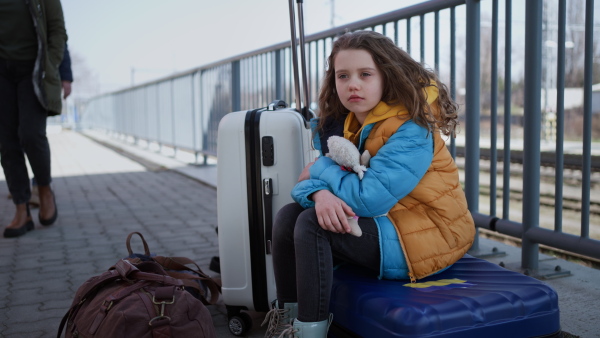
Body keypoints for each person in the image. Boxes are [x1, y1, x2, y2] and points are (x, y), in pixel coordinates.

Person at [263, 30, 475, 337]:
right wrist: (322, 194)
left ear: (386, 77)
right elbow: (304, 183)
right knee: (287, 217)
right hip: (389, 221)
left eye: (365, 74)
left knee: (311, 225)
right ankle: (288, 320)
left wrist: (321, 171)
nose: (353, 85)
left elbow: (368, 199)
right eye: (343, 76)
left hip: (428, 235)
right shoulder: (349, 123)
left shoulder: (411, 128)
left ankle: (309, 332)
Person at [0, 0, 67, 238]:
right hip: (2, 72)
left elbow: (58, 30)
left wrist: (52, 65)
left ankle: (44, 188)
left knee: (31, 134)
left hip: (35, 69)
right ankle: (22, 210)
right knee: (6, 143)